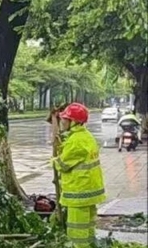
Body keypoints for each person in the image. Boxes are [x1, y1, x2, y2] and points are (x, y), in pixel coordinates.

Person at [53, 102, 106, 248]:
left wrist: (54, 159)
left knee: (77, 232)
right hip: (89, 192)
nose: (62, 121)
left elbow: (62, 164)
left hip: (79, 193)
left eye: (65, 119)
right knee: (88, 228)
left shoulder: (76, 141)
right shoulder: (85, 136)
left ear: (73, 122)